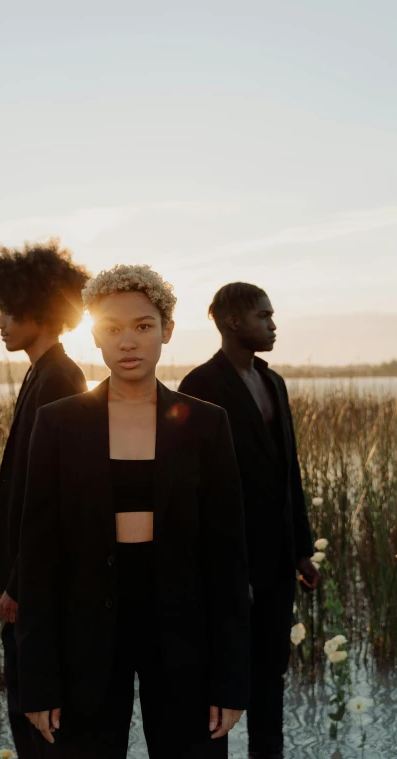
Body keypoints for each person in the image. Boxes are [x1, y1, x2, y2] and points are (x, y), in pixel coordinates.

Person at [16, 265, 250, 759]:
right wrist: (37, 682)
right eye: (112, 328)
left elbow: (228, 559)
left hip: (185, 632)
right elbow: (37, 559)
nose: (128, 341)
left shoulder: (207, 424)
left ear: (166, 330)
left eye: (143, 326)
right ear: (94, 336)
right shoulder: (57, 423)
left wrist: (230, 682)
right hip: (85, 630)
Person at [179, 282, 320, 759]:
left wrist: (301, 548)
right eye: (264, 315)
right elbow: (192, 491)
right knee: (219, 676)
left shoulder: (273, 382)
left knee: (271, 675)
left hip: (278, 560)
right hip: (230, 565)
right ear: (233, 321)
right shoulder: (199, 386)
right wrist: (225, 572)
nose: (273, 324)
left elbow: (288, 472)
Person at [0, 239, 89, 758]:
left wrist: (20, 582)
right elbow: (21, 485)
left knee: (41, 723)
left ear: (38, 307)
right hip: (27, 579)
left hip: (42, 592)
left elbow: (52, 498)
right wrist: (5, 566)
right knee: (28, 716)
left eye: (7, 308)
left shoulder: (61, 378)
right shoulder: (41, 372)